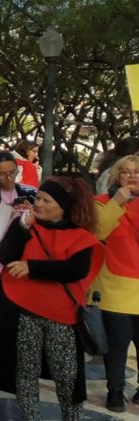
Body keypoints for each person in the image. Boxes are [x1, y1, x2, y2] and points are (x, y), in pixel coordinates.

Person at [0, 177, 104, 421]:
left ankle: (71, 417)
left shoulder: (80, 235)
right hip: (23, 311)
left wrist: (32, 267)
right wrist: (21, 227)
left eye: (46, 200)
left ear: (63, 207)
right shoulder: (25, 225)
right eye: (38, 198)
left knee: (67, 375)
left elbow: (76, 270)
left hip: (62, 316)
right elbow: (4, 255)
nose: (38, 204)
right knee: (25, 372)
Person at [90, 154, 139, 411]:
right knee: (117, 345)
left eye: (137, 171)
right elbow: (97, 232)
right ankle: (116, 391)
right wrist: (117, 203)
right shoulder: (100, 203)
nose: (132, 176)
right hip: (114, 288)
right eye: (126, 171)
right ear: (116, 176)